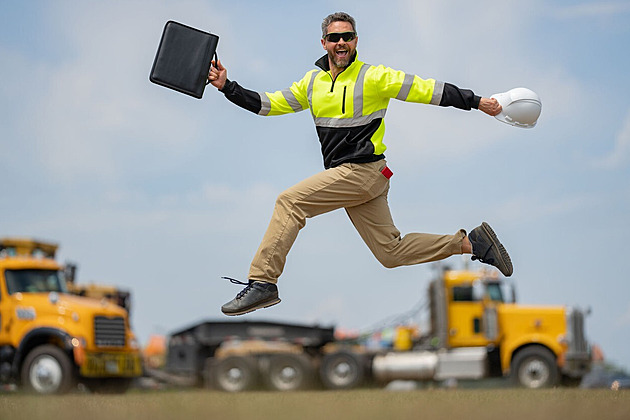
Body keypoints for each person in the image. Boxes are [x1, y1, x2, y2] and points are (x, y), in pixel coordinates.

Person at [208, 12, 513, 316]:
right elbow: (269, 104)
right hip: (357, 179)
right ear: (324, 43)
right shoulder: (311, 82)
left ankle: (263, 281)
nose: (341, 42)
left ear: (355, 41)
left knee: (289, 202)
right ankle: (471, 244)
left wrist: (477, 101)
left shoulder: (374, 77)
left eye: (347, 37)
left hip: (362, 172)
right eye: (334, 38)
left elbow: (427, 89)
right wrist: (227, 86)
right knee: (390, 253)